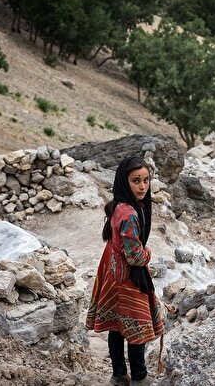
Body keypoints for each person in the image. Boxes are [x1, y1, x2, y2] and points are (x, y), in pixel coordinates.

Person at [86, 156, 163, 386]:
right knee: (136, 324)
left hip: (113, 274)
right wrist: (148, 254)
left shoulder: (119, 206)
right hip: (127, 278)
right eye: (135, 181)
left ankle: (119, 374)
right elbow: (135, 256)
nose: (142, 186)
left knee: (118, 326)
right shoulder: (129, 213)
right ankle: (139, 376)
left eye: (146, 180)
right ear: (124, 181)